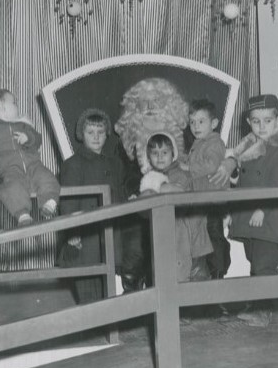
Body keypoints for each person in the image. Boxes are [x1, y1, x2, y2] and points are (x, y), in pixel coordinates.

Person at [228, 94, 278, 327]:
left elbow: (277, 184)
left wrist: (262, 208)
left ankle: (264, 309)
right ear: (249, 122)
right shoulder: (248, 147)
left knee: (263, 264)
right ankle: (261, 302)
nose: (261, 126)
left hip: (270, 216)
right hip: (248, 214)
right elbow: (242, 181)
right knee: (254, 260)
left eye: (267, 120)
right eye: (256, 121)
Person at [58, 108, 127, 303]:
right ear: (82, 135)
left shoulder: (115, 163)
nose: (96, 137)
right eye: (90, 133)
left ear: (107, 134)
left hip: (110, 233)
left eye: (100, 132)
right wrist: (72, 231)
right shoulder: (73, 164)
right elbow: (69, 201)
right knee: (88, 286)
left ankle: (107, 325)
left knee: (108, 284)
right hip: (86, 236)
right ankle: (92, 328)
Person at [0, 88, 60, 226]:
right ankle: (22, 215)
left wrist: (29, 137)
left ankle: (50, 202)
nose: (17, 106)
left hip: (33, 164)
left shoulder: (22, 124)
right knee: (10, 186)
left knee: (46, 177)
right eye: (14, 103)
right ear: (1, 107)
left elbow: (38, 138)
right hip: (8, 168)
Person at [140, 132, 213, 282]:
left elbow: (177, 192)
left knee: (196, 279)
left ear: (173, 154)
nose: (160, 157)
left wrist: (156, 187)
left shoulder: (180, 174)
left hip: (190, 238)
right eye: (155, 153)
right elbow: (144, 211)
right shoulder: (149, 178)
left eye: (164, 152)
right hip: (168, 240)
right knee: (169, 280)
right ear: (148, 157)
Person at [184, 100, 231, 280]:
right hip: (202, 201)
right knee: (206, 239)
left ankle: (218, 274)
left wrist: (188, 167)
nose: (196, 126)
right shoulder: (198, 143)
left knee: (214, 237)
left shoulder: (214, 142)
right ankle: (213, 275)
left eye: (201, 121)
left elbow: (211, 165)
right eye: (192, 122)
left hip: (213, 201)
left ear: (214, 123)